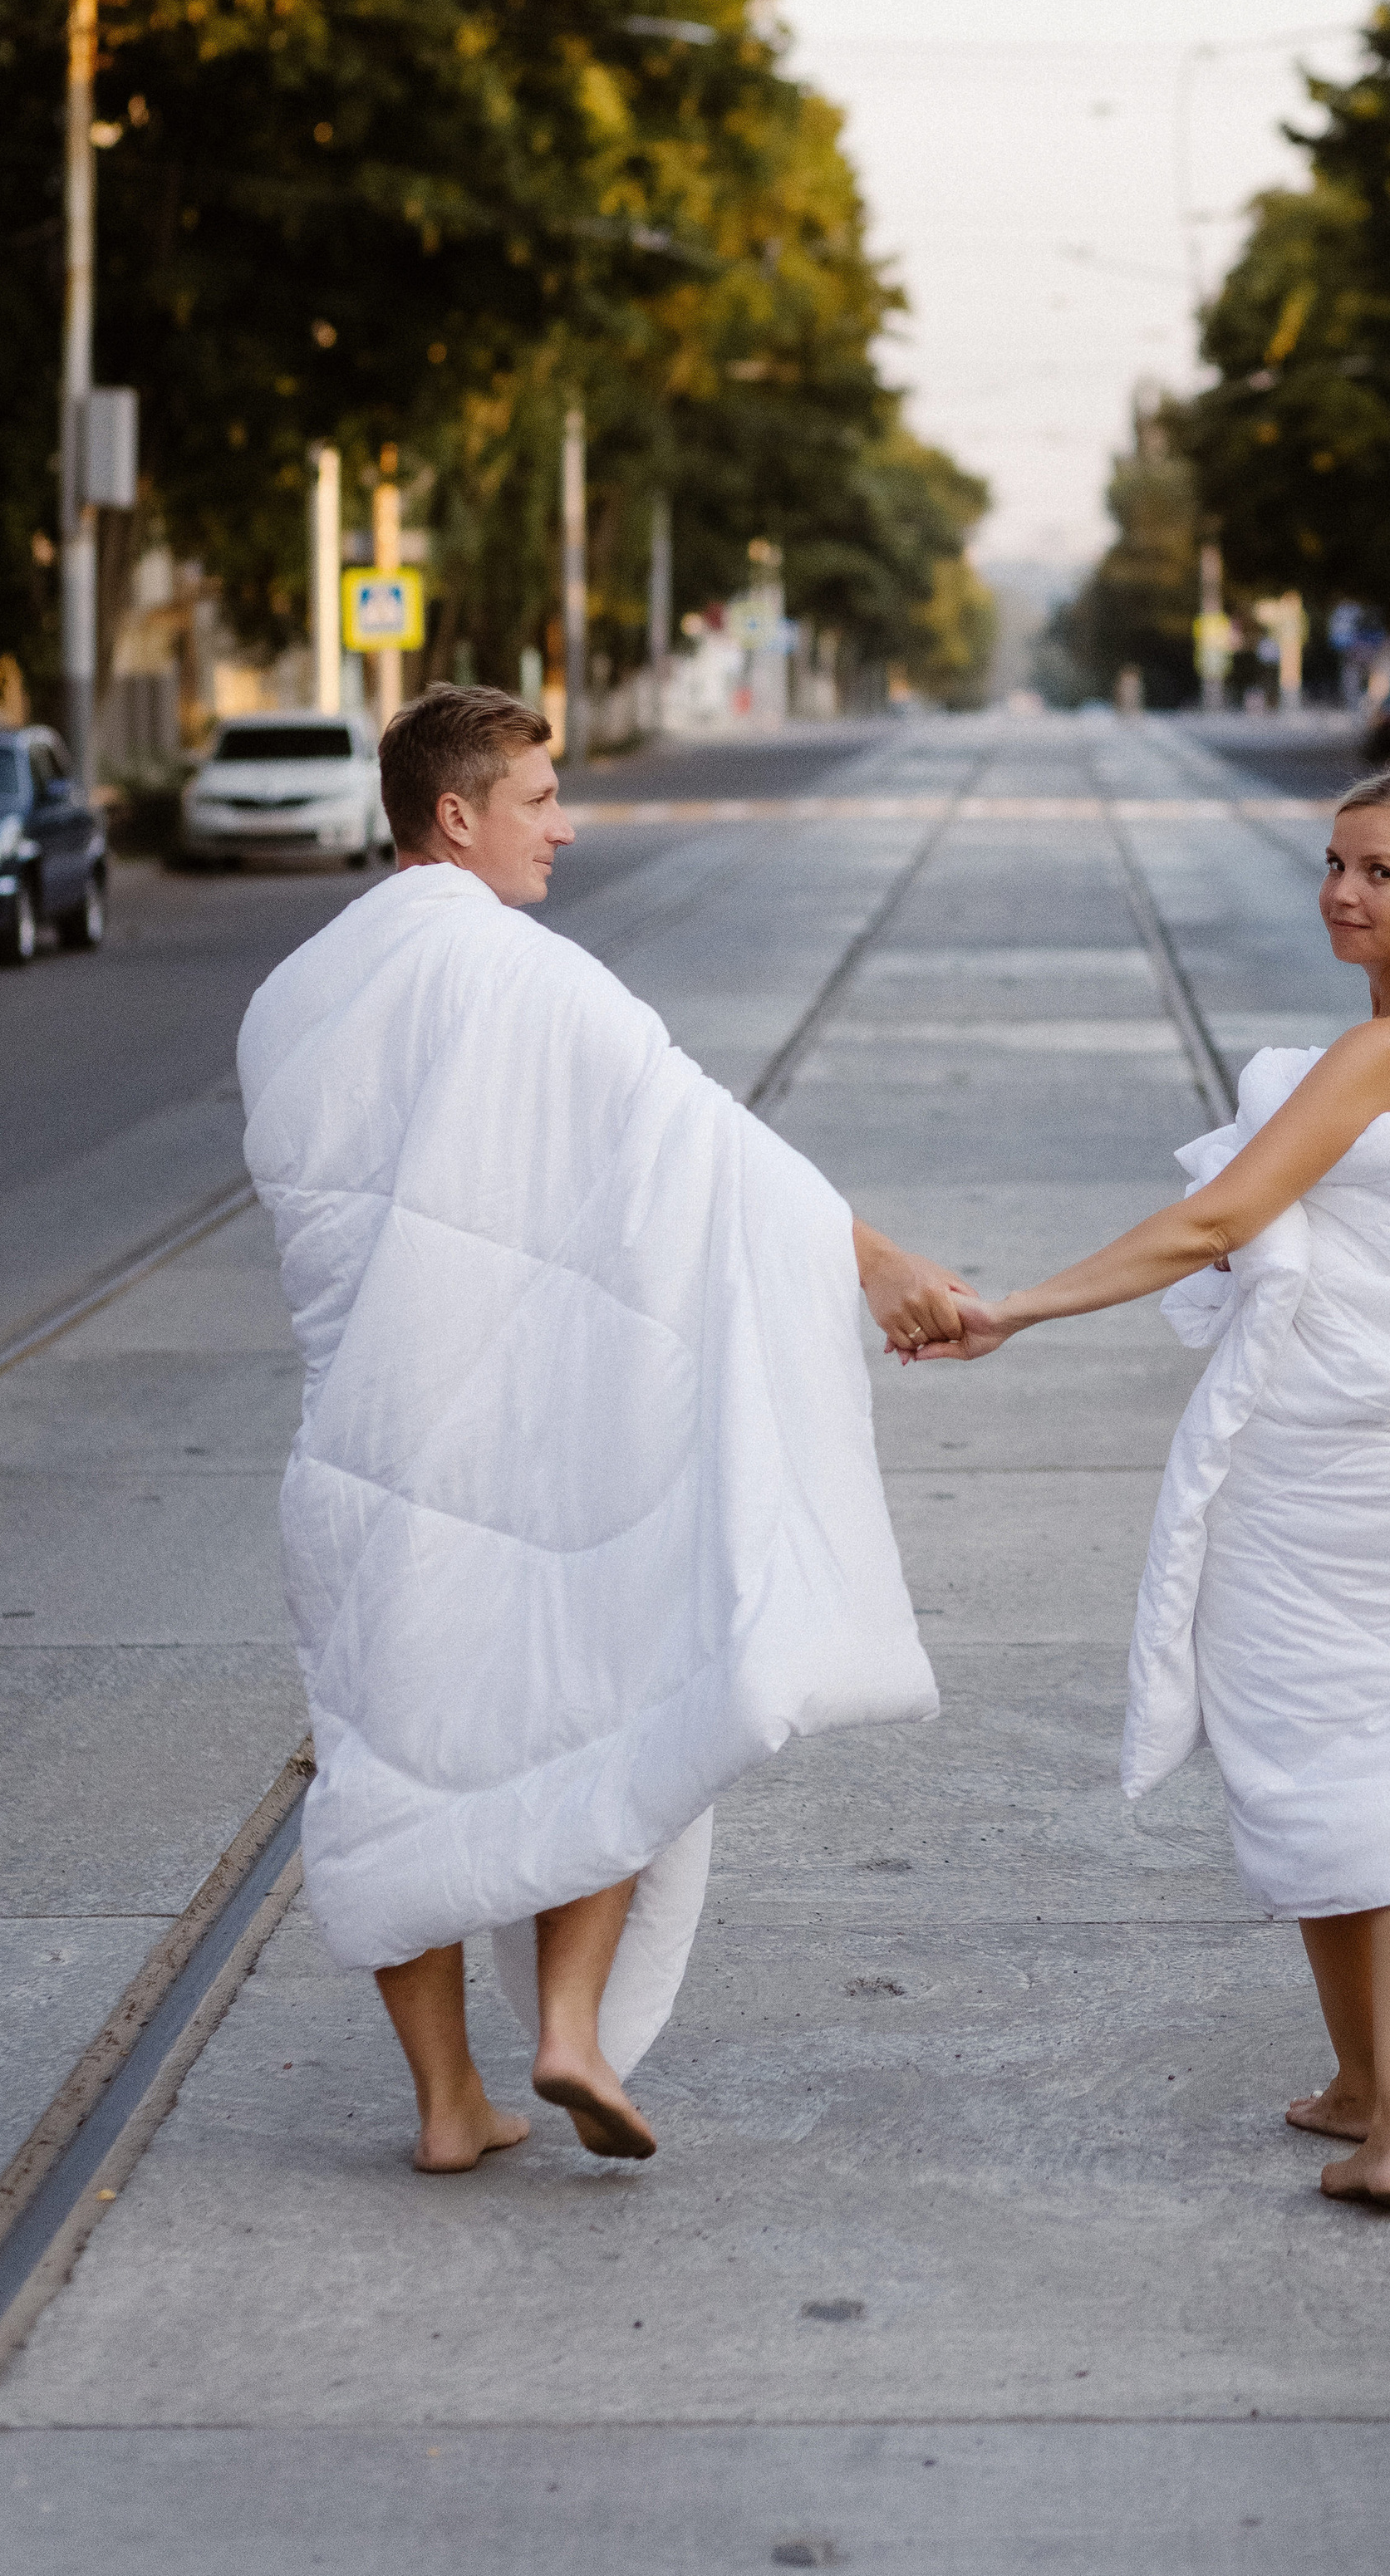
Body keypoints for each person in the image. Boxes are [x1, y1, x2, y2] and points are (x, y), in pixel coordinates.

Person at [238, 686, 970, 2173]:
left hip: (367, 1456)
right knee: (619, 1692)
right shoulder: (520, 973)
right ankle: (570, 2028)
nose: (564, 828)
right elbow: (705, 1148)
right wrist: (878, 1261)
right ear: (457, 816)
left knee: (394, 1761)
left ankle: (448, 2104)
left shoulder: (293, 998)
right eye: (539, 799)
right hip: (531, 1445)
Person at [915, 760, 1390, 2213]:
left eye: (1380, 872)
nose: (1342, 891)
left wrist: (1019, 1307)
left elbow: (1217, 1221)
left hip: (1332, 1479)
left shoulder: (1380, 1057)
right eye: (1333, 863)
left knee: (1324, 1753)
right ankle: (1370, 2098)